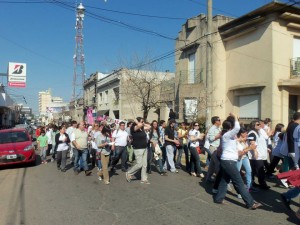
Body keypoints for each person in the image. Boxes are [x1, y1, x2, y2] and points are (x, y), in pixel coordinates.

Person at [213, 113, 262, 209]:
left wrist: (244, 138)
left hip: (228, 161)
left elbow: (237, 139)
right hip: (228, 161)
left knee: (224, 180)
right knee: (239, 182)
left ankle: (218, 198)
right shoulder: (227, 135)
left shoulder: (229, 136)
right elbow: (237, 128)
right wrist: (235, 117)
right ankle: (250, 203)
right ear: (230, 127)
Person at [126, 117, 151, 184]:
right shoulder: (133, 127)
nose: (143, 123)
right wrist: (137, 123)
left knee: (144, 165)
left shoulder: (141, 127)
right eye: (142, 121)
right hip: (138, 148)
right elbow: (139, 125)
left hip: (144, 147)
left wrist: (142, 123)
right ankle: (129, 173)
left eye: (143, 122)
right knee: (139, 164)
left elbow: (149, 126)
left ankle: (144, 179)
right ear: (137, 122)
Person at [248, 120, 270, 190]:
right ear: (253, 126)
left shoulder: (259, 132)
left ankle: (254, 182)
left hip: (259, 154)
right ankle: (262, 184)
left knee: (254, 170)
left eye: (259, 124)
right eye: (257, 124)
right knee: (260, 171)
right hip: (256, 155)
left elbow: (261, 142)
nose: (259, 125)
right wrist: (255, 151)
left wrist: (266, 148)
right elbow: (252, 143)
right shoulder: (252, 133)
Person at [206, 116, 222, 182]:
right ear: (216, 121)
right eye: (219, 120)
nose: (220, 121)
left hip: (217, 147)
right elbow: (211, 138)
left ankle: (208, 178)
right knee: (217, 163)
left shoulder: (218, 128)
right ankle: (219, 179)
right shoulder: (212, 129)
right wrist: (219, 136)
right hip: (213, 147)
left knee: (212, 163)